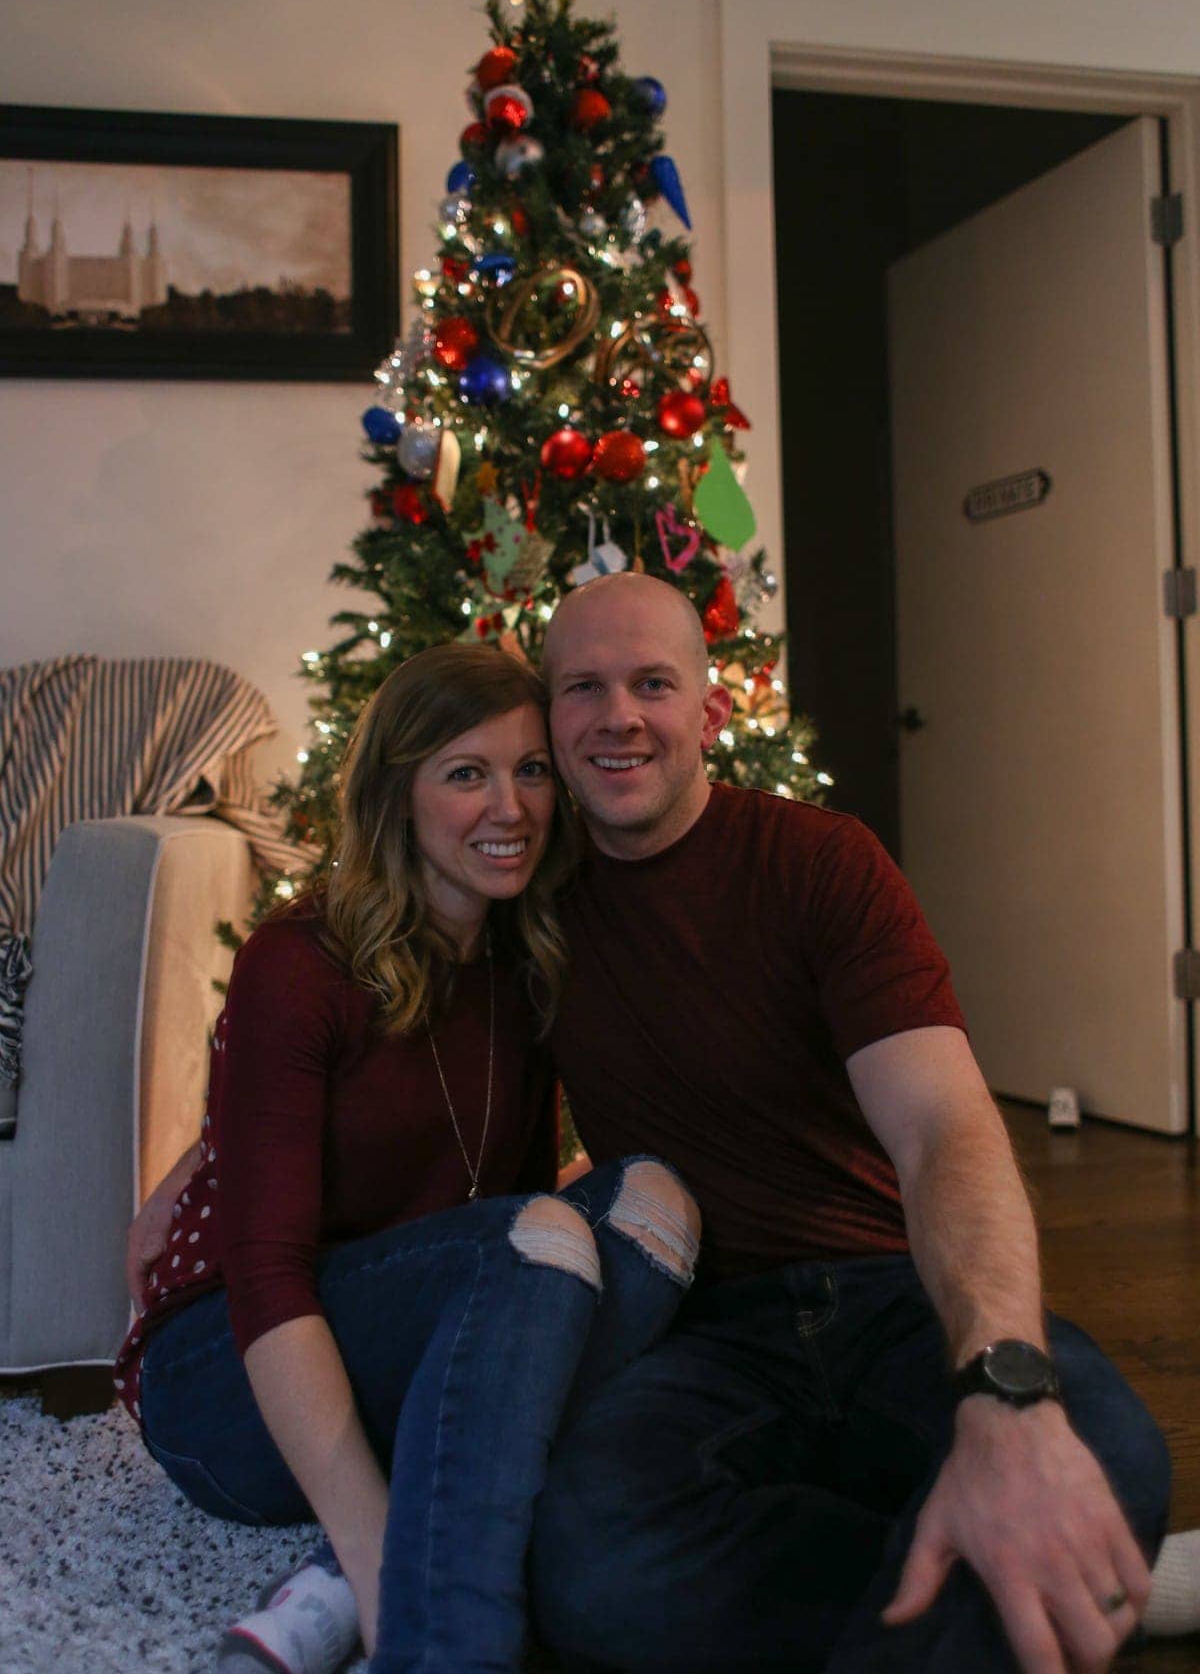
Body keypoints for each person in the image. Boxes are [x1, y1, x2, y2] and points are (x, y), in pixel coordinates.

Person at [135, 576, 1184, 1673]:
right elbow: (342, 1038)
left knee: (1103, 1453)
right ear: (551, 717)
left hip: (889, 1294)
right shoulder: (528, 898)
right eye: (582, 688)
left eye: (652, 684)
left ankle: (1035, 1565)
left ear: (711, 713)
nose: (617, 717)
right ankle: (1060, 1588)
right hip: (702, 1329)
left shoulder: (811, 865)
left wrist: (1004, 1392)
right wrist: (203, 1167)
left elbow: (946, 1130)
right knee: (591, 1565)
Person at [115, 641, 700, 1674]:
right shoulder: (299, 964)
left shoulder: (528, 966)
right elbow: (266, 1278)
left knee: (653, 1205)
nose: (509, 808)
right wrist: (376, 1545)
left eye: (528, 770)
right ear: (400, 795)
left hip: (410, 1345)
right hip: (227, 1381)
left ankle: (372, 1564)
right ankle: (438, 1631)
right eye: (465, 773)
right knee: (538, 1235)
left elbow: (509, 1215)